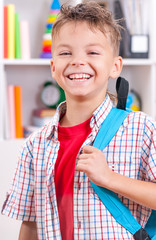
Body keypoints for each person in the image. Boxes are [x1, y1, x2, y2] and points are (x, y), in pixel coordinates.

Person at [1, 2, 156, 240]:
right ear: (53, 67)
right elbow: (31, 226)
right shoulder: (35, 147)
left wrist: (110, 178)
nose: (77, 61)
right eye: (65, 53)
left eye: (92, 52)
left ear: (115, 66)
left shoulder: (141, 129)